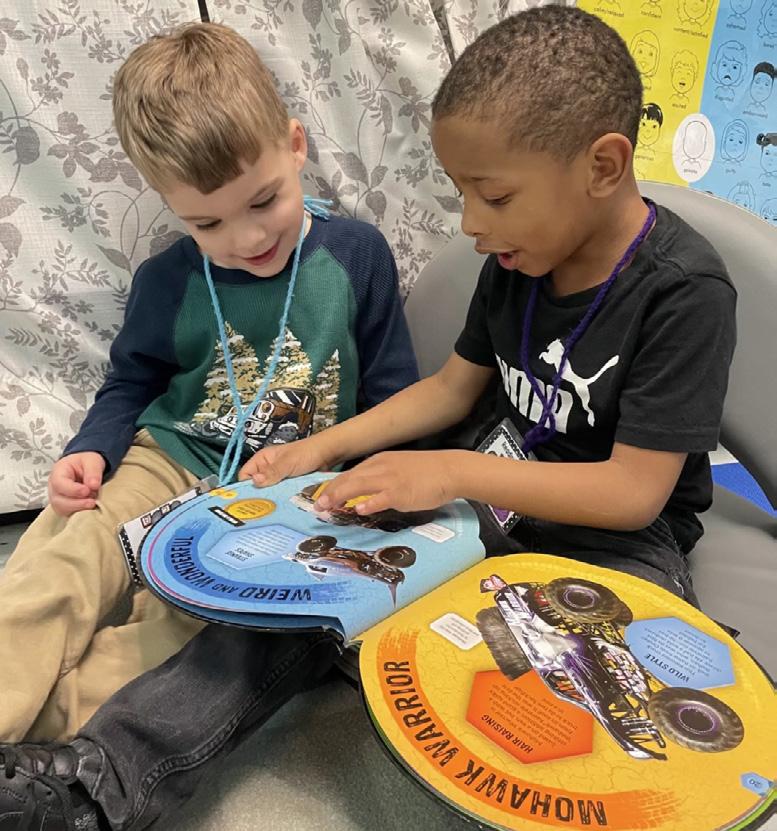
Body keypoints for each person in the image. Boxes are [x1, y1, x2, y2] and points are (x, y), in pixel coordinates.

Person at [0, 7, 737, 830]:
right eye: (462, 195)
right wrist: (316, 449)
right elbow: (450, 391)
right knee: (306, 592)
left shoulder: (683, 291)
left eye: (492, 196)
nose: (470, 224)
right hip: (491, 501)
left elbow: (633, 493)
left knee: (609, 697)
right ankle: (95, 786)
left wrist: (446, 469)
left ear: (601, 165)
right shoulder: (518, 254)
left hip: (613, 537)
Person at [0, 23, 417, 747]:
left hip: (291, 490)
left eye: (264, 201)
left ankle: (39, 740)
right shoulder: (166, 279)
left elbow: (394, 397)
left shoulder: (357, 256)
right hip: (167, 457)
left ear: (295, 145)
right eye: (207, 222)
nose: (246, 238)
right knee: (60, 561)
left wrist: (369, 489)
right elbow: (131, 381)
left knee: (181, 628)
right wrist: (91, 448)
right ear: (169, 205)